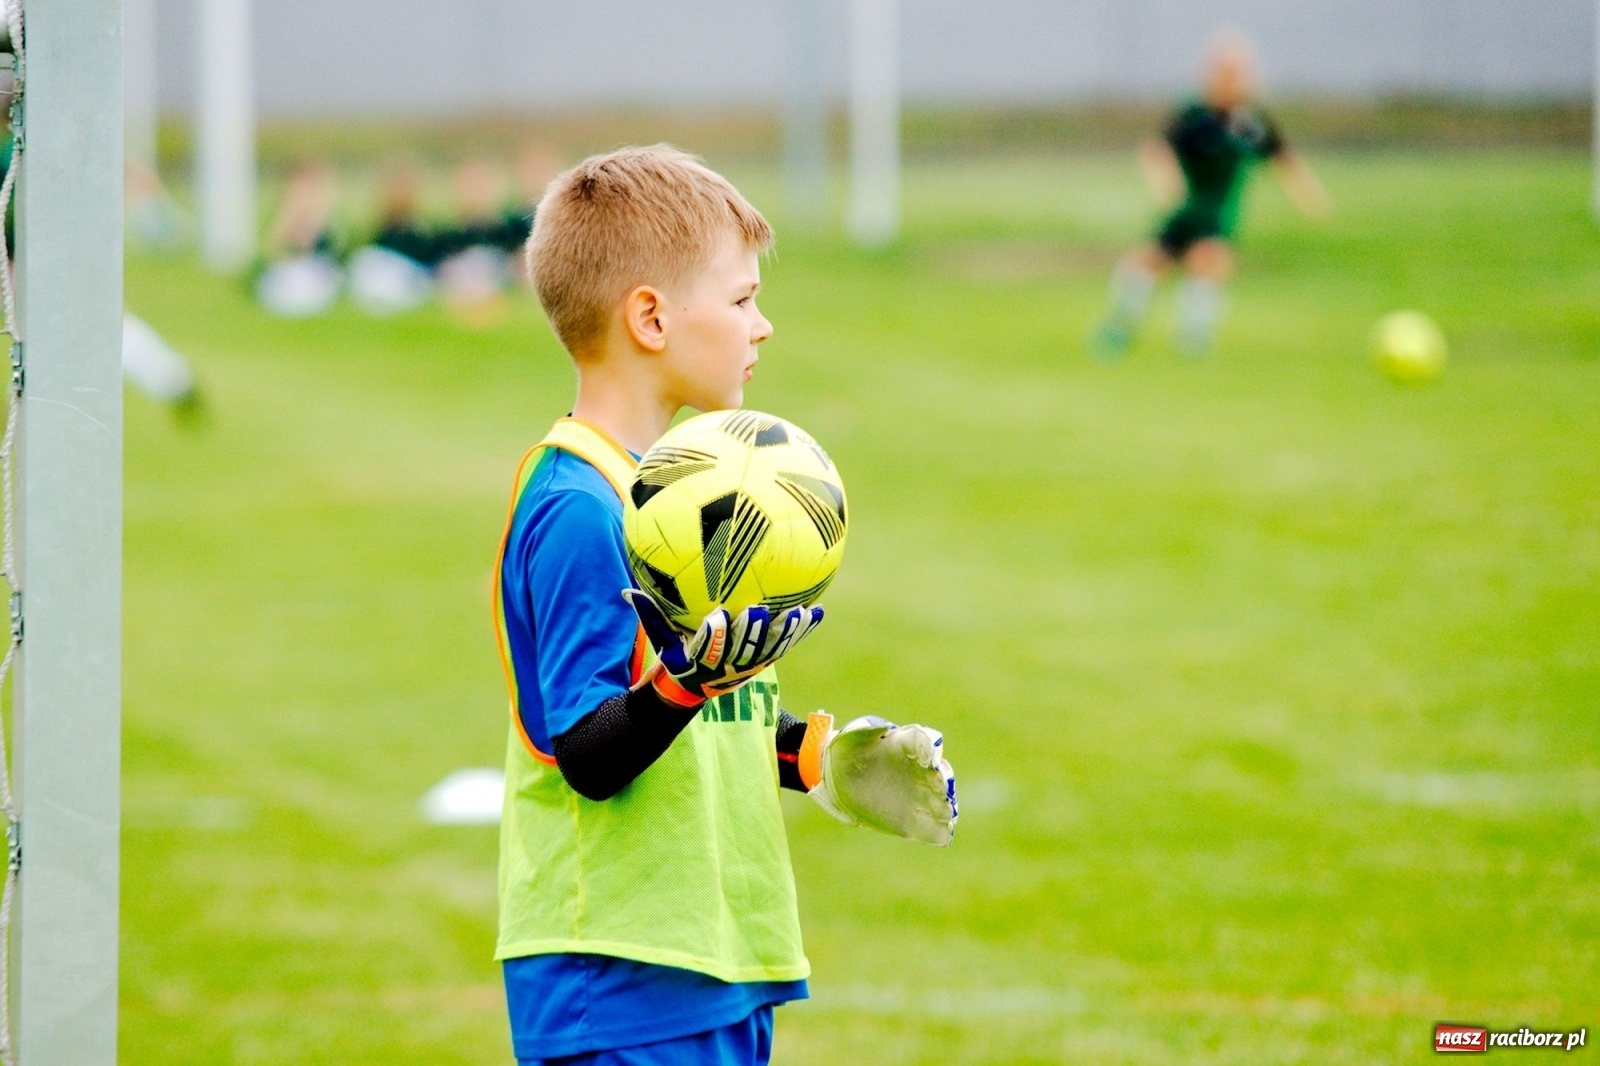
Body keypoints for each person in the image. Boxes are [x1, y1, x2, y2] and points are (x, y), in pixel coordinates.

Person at [494, 145, 958, 1066]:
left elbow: (703, 713)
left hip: (716, 957)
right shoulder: (580, 509)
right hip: (619, 970)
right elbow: (588, 750)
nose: (763, 326)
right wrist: (686, 684)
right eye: (742, 300)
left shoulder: (678, 499)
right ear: (652, 317)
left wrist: (817, 755)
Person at [1094, 30, 1328, 357]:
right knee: (1146, 265)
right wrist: (1166, 180)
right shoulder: (1195, 115)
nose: (1229, 81)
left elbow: (1281, 157)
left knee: (1208, 262)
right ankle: (1119, 329)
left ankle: (1193, 338)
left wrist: (1306, 193)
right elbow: (1157, 149)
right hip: (1186, 207)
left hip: (1219, 211)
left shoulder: (1252, 121)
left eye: (1236, 74)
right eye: (1222, 73)